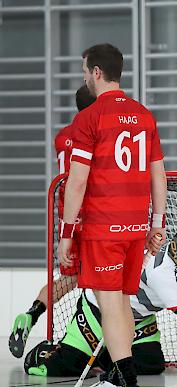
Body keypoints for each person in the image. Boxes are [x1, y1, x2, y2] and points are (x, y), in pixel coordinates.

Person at [56, 43, 168, 387]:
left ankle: (124, 377)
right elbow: (158, 174)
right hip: (136, 225)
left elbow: (76, 183)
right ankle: (121, 373)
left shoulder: (89, 117)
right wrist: (156, 224)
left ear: (96, 72)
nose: (84, 77)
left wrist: (67, 233)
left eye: (84, 71)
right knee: (121, 300)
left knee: (111, 304)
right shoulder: (144, 114)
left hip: (104, 226)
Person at [24, 224, 177, 377]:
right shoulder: (162, 271)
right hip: (100, 310)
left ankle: (108, 359)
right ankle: (45, 352)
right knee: (64, 367)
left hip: (138, 318)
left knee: (151, 365)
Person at [8, 85, 96, 359]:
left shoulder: (62, 136)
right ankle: (89, 340)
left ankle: (31, 315)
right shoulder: (94, 133)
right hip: (92, 214)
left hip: (67, 216)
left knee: (68, 280)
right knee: (102, 280)